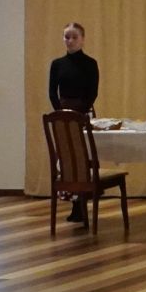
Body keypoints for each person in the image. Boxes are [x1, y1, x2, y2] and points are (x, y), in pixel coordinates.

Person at [48, 22, 99, 223]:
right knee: (68, 159)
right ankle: (73, 203)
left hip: (83, 114)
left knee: (84, 158)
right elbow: (52, 92)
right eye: (66, 37)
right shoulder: (57, 64)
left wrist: (80, 113)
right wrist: (61, 113)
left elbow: (93, 92)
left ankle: (83, 203)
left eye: (74, 37)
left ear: (82, 39)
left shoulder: (90, 63)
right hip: (63, 116)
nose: (69, 41)